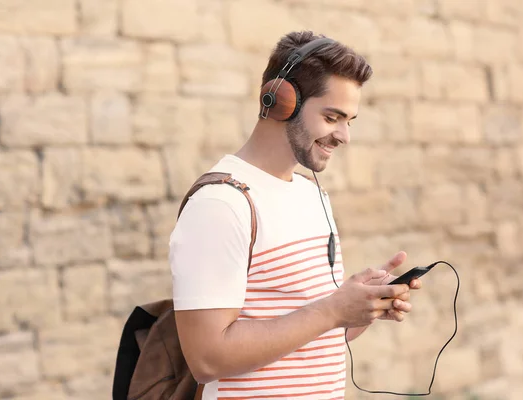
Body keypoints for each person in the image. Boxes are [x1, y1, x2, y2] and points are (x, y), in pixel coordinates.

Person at [169, 30, 422, 399]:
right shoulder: (221, 204)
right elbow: (207, 358)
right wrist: (333, 310)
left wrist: (359, 307)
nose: (344, 135)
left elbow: (307, 334)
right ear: (280, 101)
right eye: (333, 116)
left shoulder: (311, 193)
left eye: (350, 120)